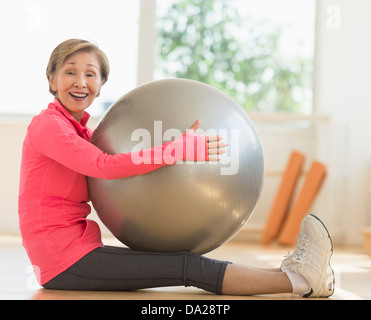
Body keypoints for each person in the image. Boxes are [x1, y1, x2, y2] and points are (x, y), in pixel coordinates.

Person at [18, 39, 335, 298]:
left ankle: (295, 273)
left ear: (100, 85)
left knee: (186, 262)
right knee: (187, 266)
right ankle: (301, 282)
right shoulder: (48, 126)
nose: (80, 82)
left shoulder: (80, 131)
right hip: (64, 261)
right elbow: (103, 166)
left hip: (75, 251)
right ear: (52, 80)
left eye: (91, 74)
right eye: (70, 72)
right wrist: (176, 150)